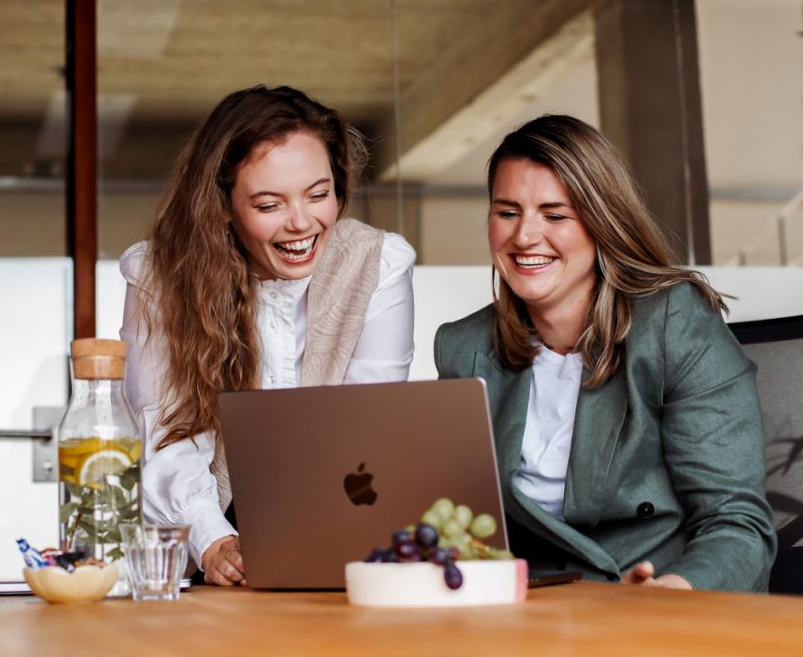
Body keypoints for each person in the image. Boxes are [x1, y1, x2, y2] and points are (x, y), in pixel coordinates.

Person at [435, 115, 776, 591]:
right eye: (507, 212)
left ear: (601, 221)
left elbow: (736, 521)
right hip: (526, 612)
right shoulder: (463, 347)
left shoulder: (672, 322)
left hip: (653, 602)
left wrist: (678, 591)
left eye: (555, 215)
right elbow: (464, 523)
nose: (524, 237)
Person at [120, 85, 416, 586]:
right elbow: (163, 431)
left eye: (319, 194)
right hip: (196, 535)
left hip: (334, 529)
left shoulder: (379, 263)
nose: (302, 223)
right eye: (268, 203)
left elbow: (368, 423)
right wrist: (214, 542)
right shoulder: (159, 274)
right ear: (223, 206)